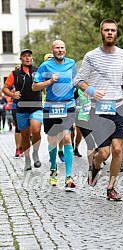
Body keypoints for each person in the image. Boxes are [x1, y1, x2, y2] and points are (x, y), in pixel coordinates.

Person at [74, 18, 123, 200]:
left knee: (117, 150)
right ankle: (95, 167)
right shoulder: (91, 56)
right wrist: (91, 90)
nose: (109, 33)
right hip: (99, 110)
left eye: (113, 30)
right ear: (101, 32)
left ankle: (111, 188)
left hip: (119, 108)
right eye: (106, 30)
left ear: (116, 33)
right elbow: (78, 80)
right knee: (104, 153)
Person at [32, 40, 77, 188]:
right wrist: (49, 81)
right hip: (51, 107)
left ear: (65, 49)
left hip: (68, 105)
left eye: (62, 47)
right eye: (57, 48)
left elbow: (77, 82)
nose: (60, 50)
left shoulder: (71, 64)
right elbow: (34, 86)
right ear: (52, 50)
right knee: (52, 141)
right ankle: (53, 169)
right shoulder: (45, 66)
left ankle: (69, 176)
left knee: (66, 137)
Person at [2, 49, 43, 171]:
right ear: (20, 59)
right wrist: (12, 95)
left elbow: (43, 85)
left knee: (36, 129)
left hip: (36, 106)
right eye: (24, 56)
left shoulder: (38, 71)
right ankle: (27, 159)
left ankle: (35, 153)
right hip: (21, 108)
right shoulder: (14, 74)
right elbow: (5, 88)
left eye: (29, 56)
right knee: (24, 135)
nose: (27, 58)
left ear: (32, 58)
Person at [43, 52, 65, 162]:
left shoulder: (61, 72)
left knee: (61, 131)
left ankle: (60, 150)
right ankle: (52, 150)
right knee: (51, 133)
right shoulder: (43, 73)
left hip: (61, 105)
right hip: (47, 106)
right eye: (49, 60)